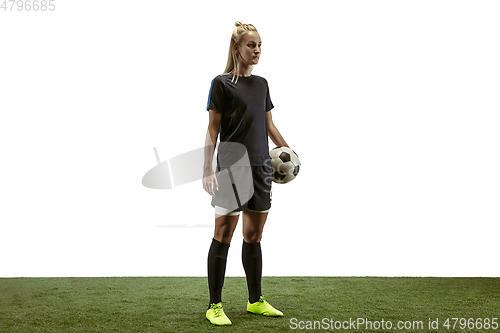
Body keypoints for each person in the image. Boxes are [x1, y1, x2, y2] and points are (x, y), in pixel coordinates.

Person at [202, 21, 290, 326]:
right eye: (251, 45)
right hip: (231, 169)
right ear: (237, 48)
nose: (257, 50)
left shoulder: (262, 84)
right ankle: (214, 305)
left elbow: (268, 126)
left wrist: (288, 151)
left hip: (261, 169)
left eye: (260, 45)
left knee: (254, 235)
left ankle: (255, 301)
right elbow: (213, 129)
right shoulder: (221, 83)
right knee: (223, 236)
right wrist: (207, 170)